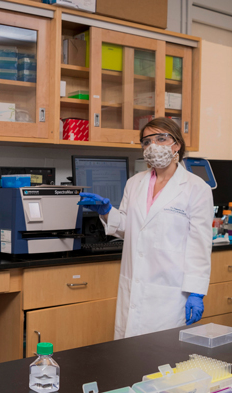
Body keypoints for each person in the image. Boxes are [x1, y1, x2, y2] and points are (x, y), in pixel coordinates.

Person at [79, 117, 213, 339]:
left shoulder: (196, 188)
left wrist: (196, 291)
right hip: (134, 286)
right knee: (128, 357)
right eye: (147, 141)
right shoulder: (135, 183)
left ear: (176, 144)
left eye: (161, 138)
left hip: (170, 291)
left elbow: (200, 243)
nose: (153, 146)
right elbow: (127, 228)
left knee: (162, 359)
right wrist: (105, 211)